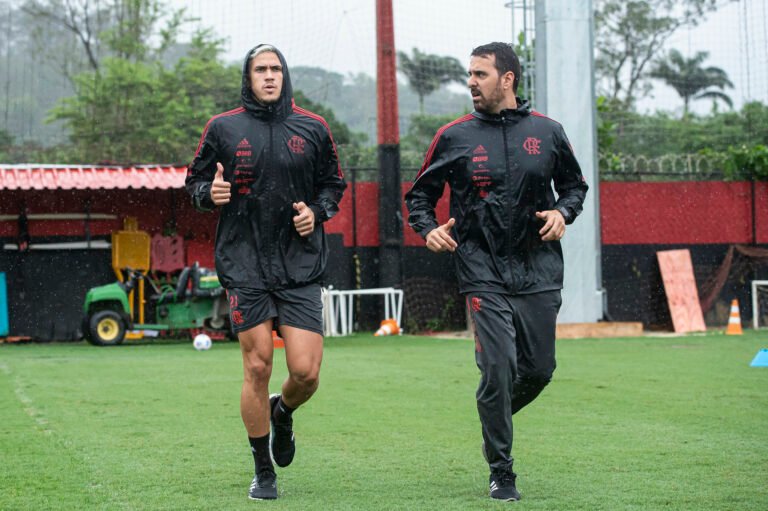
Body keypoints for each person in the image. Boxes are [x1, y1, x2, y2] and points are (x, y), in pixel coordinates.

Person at [405, 42, 588, 502]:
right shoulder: (453, 136)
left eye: (480, 74)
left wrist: (563, 212)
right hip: (481, 269)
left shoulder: (547, 132)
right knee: (498, 367)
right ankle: (502, 470)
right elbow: (418, 197)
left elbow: (574, 186)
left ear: (507, 79)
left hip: (539, 270)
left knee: (539, 371)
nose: (471, 82)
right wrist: (428, 230)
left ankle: (493, 411)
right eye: (469, 74)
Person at [185, 43, 346, 500]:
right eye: (261, 69)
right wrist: (207, 193)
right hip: (245, 263)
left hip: (299, 264)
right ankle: (263, 470)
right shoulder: (223, 127)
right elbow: (194, 181)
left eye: (276, 69)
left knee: (306, 372)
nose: (270, 76)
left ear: (285, 75)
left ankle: (284, 412)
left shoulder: (313, 128)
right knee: (257, 366)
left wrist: (316, 212)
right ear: (249, 77)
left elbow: (334, 184)